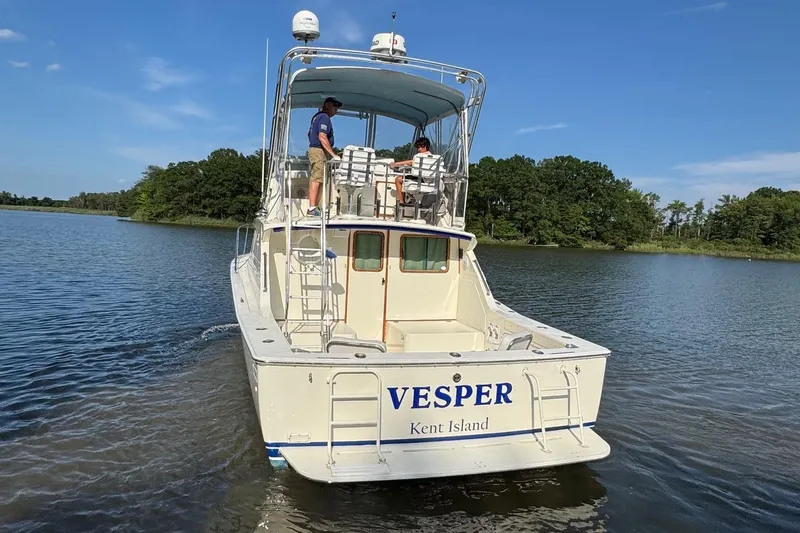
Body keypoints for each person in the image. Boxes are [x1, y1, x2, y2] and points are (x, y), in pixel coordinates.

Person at [306, 96, 342, 217]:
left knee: (320, 178)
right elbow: (322, 136)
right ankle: (312, 208)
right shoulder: (324, 117)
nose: (336, 109)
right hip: (318, 151)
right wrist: (333, 155)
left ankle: (315, 207)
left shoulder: (316, 117)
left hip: (318, 150)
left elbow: (310, 134)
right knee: (317, 177)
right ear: (327, 105)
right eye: (334, 105)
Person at [390, 137, 433, 205]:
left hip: (419, 179)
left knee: (398, 179)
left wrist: (395, 164)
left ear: (424, 146)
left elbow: (411, 162)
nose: (419, 149)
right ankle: (410, 199)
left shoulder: (419, 156)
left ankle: (401, 202)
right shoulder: (432, 157)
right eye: (418, 147)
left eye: (420, 147)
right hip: (429, 181)